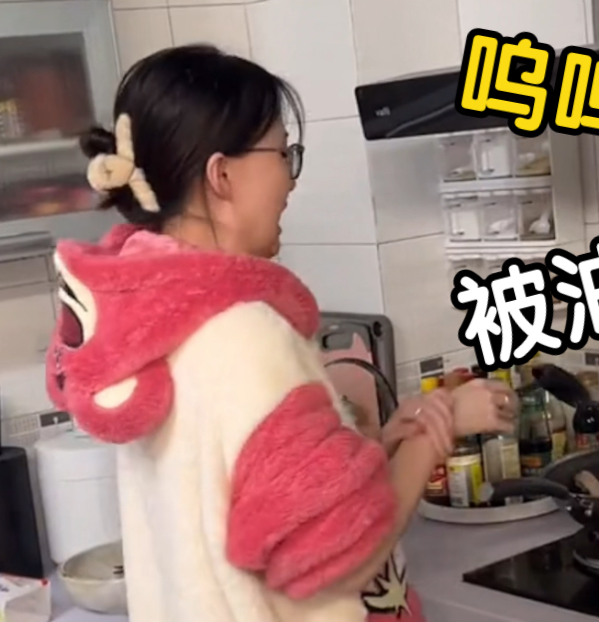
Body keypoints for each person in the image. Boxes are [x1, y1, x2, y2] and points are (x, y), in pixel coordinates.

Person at [45, 45, 518, 622]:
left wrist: (372, 454)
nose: (290, 180)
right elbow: (342, 560)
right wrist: (434, 434)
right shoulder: (243, 337)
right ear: (222, 175)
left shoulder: (148, 326)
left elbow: (241, 501)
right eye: (281, 154)